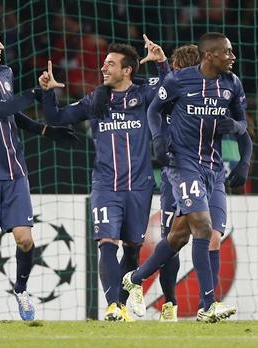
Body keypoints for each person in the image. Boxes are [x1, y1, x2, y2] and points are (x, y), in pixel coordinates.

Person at [38, 35, 170, 321]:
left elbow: (169, 90)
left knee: (132, 251)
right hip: (105, 185)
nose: (103, 68)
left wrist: (162, 63)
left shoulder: (144, 95)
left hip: (140, 186)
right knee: (107, 242)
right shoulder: (96, 98)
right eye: (104, 63)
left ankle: (122, 302)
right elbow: (57, 118)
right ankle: (112, 306)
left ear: (127, 70)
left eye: (111, 64)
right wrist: (48, 92)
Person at [123, 32, 250, 323]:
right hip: (182, 165)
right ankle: (208, 305)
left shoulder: (232, 85)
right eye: (227, 52)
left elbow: (243, 124)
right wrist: (158, 139)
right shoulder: (180, 80)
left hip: (214, 171)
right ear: (210, 55)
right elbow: (154, 110)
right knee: (203, 228)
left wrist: (242, 153)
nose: (232, 57)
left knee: (182, 236)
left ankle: (135, 278)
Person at [0, 23, 77, 321]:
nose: (0, 46)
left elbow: (13, 114)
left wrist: (47, 130)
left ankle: (20, 291)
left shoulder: (6, 73)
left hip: (14, 169)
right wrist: (34, 93)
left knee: (25, 239)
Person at [156, 44, 253, 322]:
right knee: (172, 240)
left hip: (206, 175)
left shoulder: (216, 94)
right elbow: (146, 93)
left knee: (209, 234)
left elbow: (242, 131)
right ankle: (169, 303)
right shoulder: (168, 93)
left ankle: (207, 304)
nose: (175, 76)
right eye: (173, 71)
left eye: (178, 70)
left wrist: (243, 161)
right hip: (174, 177)